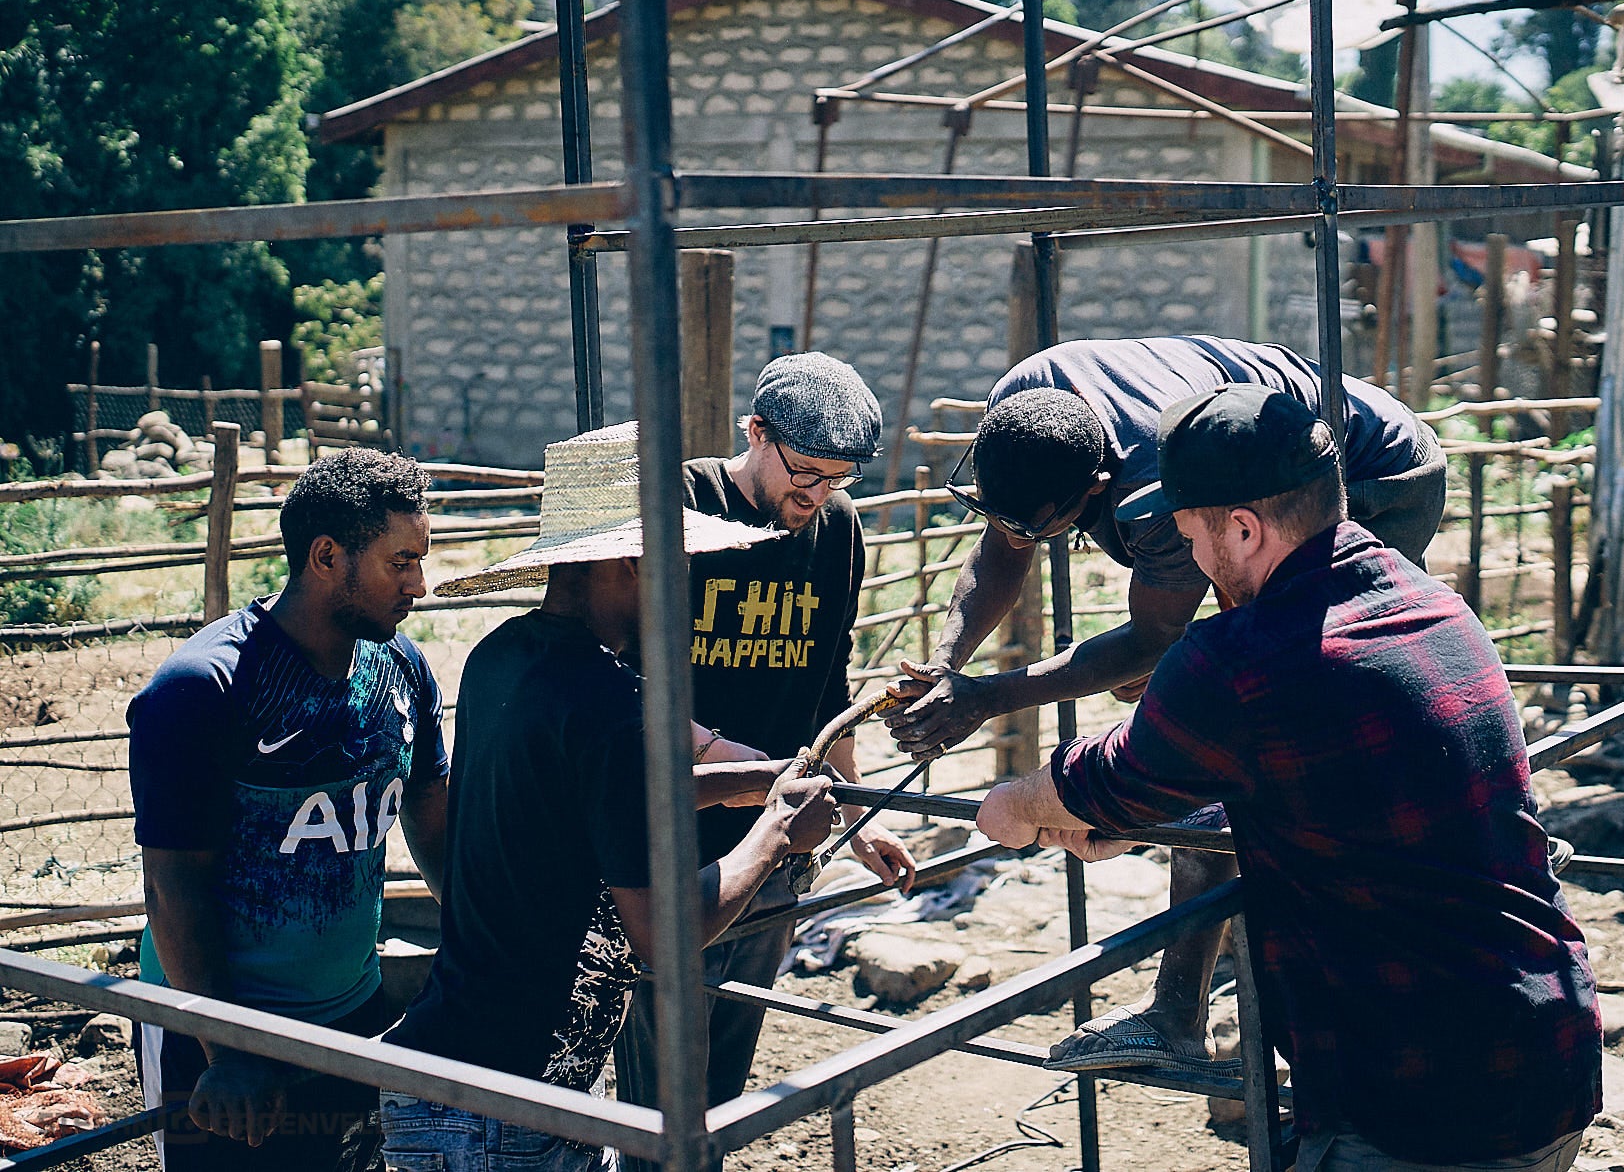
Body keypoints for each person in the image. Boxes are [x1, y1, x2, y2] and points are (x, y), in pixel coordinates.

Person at [976, 386, 1601, 1171]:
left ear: (1242, 528)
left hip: (1418, 1098)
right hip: (1552, 1051)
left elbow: (1110, 775)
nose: (1195, 563)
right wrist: (1146, 819)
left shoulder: (1240, 657)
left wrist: (1016, 803)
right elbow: (1325, 794)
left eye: (1192, 537)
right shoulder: (1434, 607)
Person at [884, 335, 1445, 1074]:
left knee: (1268, 735)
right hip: (1260, 472)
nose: (1016, 535)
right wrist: (945, 667)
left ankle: (1230, 1003)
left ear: (1096, 488)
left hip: (1374, 469)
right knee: (1230, 729)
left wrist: (989, 698)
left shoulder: (1159, 492)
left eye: (1037, 526)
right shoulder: (1028, 417)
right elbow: (1005, 547)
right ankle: (1198, 1007)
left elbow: (1152, 639)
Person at [381, 422, 839, 1172]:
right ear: (632, 561)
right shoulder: (610, 704)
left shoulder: (504, 656)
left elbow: (585, 798)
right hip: (508, 1114)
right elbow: (663, 933)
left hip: (447, 1077)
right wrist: (777, 833)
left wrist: (756, 782)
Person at [612, 352, 912, 1164]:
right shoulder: (678, 504)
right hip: (669, 835)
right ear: (755, 433)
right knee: (657, 1079)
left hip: (778, 840)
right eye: (803, 471)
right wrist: (734, 764)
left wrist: (853, 817)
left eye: (837, 479)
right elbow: (616, 681)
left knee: (726, 1070)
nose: (814, 495)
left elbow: (829, 683)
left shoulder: (836, 531)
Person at [127, 449, 450, 1172]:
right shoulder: (203, 691)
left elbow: (434, 820)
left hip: (351, 1015)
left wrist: (479, 951)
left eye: (419, 561)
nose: (419, 586)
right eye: (400, 563)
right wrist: (230, 1048)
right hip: (217, 1038)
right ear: (327, 556)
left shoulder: (402, 671)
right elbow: (171, 887)